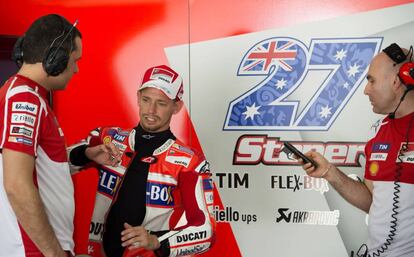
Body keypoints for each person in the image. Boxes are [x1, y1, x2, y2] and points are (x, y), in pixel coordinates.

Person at [0, 14, 120, 257]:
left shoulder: (29, 95)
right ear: (55, 59)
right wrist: (54, 253)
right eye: (74, 60)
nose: (76, 69)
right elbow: (17, 184)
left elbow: (39, 167)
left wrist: (84, 155)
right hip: (34, 251)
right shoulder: (25, 99)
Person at [68, 65, 215, 257]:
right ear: (138, 98)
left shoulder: (189, 161)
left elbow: (206, 231)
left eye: (161, 103)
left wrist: (156, 240)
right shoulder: (107, 138)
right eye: (146, 100)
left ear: (176, 107)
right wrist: (86, 154)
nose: (151, 110)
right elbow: (51, 166)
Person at [300, 43, 414, 257]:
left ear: (399, 80)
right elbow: (372, 202)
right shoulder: (378, 131)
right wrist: (329, 172)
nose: (366, 90)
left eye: (372, 80)